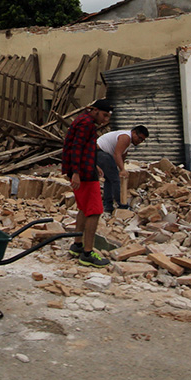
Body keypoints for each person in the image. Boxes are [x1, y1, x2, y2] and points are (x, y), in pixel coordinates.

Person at [62, 99, 112, 267]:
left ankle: (77, 245)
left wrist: (93, 165)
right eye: (104, 115)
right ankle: (88, 253)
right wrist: (76, 172)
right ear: (95, 110)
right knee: (95, 211)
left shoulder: (82, 120)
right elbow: (76, 147)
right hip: (83, 174)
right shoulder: (87, 124)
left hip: (84, 169)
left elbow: (83, 148)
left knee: (84, 208)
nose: (105, 119)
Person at [96, 125, 149, 214]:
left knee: (109, 179)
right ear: (134, 133)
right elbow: (117, 155)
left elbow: (122, 156)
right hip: (100, 152)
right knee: (116, 180)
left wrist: (121, 168)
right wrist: (122, 170)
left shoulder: (128, 142)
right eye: (139, 138)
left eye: (142, 140)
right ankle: (122, 205)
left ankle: (108, 206)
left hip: (101, 153)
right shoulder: (126, 137)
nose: (139, 142)